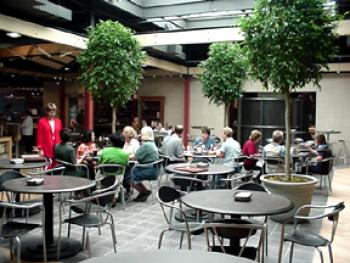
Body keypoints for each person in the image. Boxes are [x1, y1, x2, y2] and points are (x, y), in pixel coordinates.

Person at [132, 126, 159, 202]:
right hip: (153, 169)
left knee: (129, 177)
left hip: (147, 170)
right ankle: (143, 192)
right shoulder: (152, 143)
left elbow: (135, 157)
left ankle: (144, 191)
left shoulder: (146, 145)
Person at [37, 103, 62, 168]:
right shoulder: (41, 122)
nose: (52, 114)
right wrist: (40, 149)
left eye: (54, 112)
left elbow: (60, 134)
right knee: (47, 166)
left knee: (56, 165)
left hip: (57, 146)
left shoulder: (58, 121)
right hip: (47, 146)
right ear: (46, 112)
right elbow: (39, 136)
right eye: (50, 112)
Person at [122, 126, 140, 194]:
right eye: (123, 131)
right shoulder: (123, 142)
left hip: (132, 163)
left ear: (129, 134)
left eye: (125, 132)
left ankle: (127, 187)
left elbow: (136, 155)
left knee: (125, 170)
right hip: (124, 162)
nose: (123, 133)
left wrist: (126, 156)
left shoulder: (135, 142)